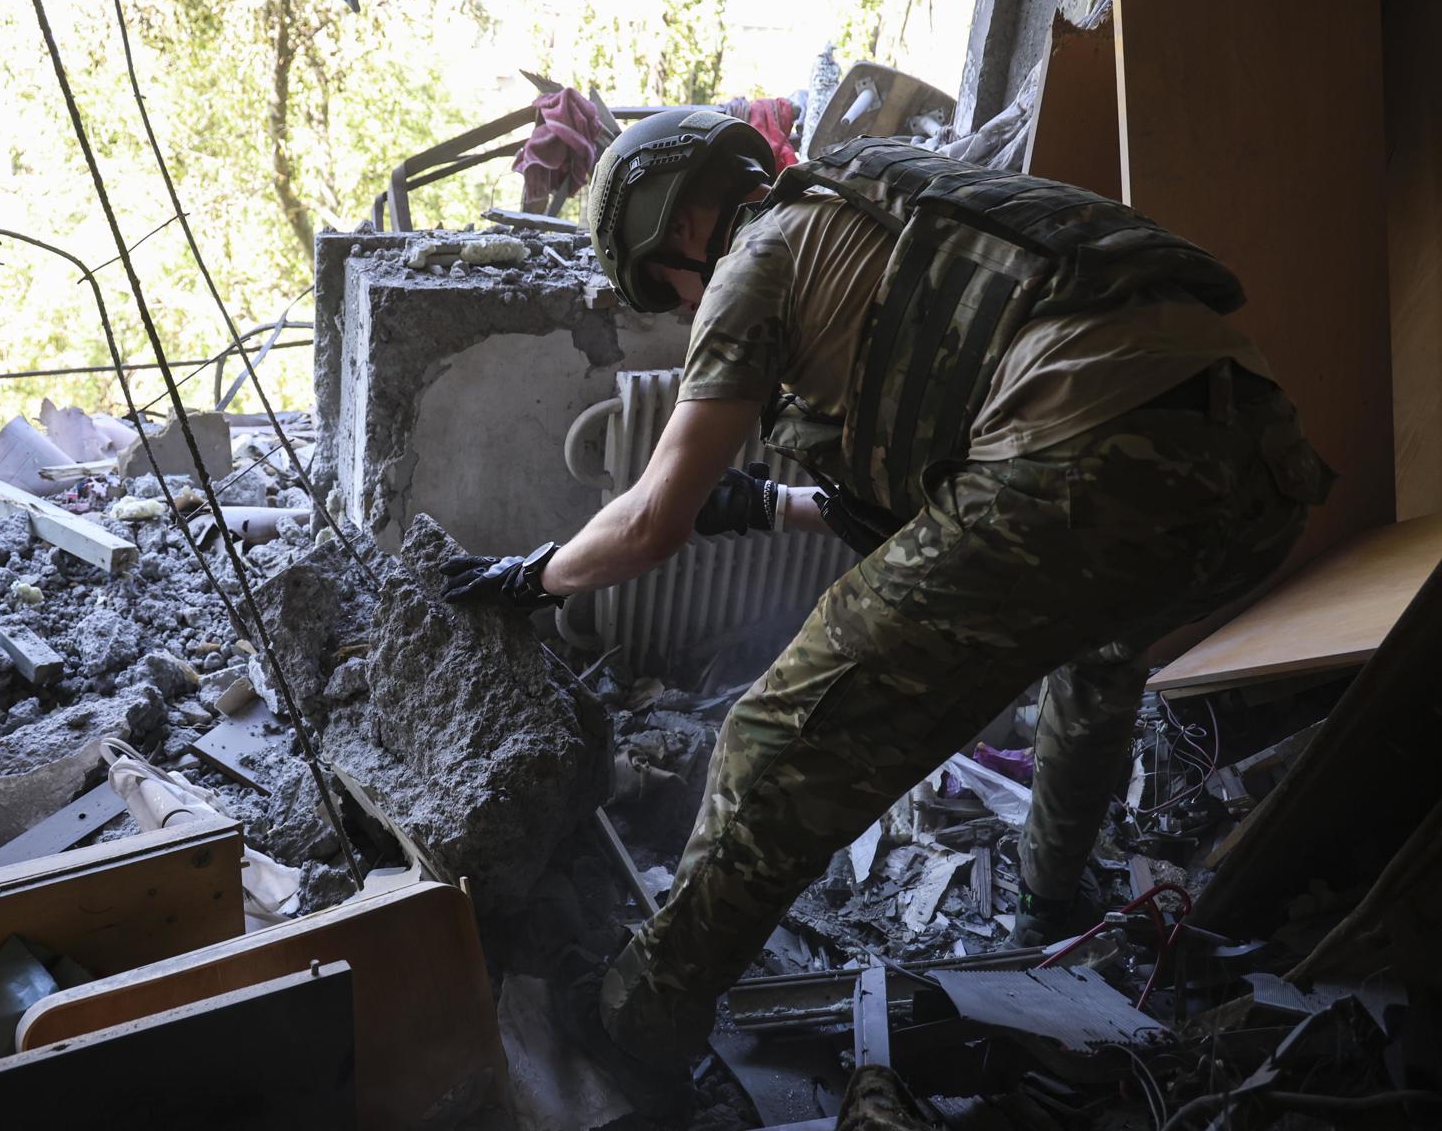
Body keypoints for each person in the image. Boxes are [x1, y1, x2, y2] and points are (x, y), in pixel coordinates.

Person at [440, 110, 1331, 1077]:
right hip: (1258, 475)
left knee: (778, 734)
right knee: (1096, 661)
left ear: (672, 224)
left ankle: (640, 1013)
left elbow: (652, 519)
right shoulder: (891, 203)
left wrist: (531, 576)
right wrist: (767, 507)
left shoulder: (756, 253)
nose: (681, 303)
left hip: (1082, 459)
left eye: (663, 285)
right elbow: (949, 499)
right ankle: (1050, 903)